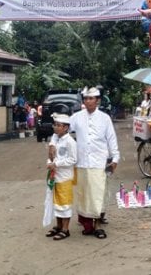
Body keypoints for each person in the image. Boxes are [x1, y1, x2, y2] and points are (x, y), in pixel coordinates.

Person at [52, 86, 119, 239]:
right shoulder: (76, 117)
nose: (88, 101)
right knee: (83, 195)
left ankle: (98, 226)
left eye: (91, 99)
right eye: (86, 99)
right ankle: (87, 224)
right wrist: (52, 143)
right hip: (81, 162)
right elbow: (62, 131)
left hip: (99, 161)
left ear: (98, 101)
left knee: (97, 194)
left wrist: (115, 158)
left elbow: (111, 139)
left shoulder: (104, 118)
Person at [44, 114, 77, 241]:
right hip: (55, 176)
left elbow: (73, 159)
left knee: (64, 203)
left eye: (59, 125)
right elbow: (52, 155)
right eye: (55, 125)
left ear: (66, 128)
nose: (55, 128)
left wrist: (56, 164)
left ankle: (65, 229)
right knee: (56, 202)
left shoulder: (70, 142)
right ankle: (58, 226)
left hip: (64, 177)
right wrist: (49, 162)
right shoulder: (56, 139)